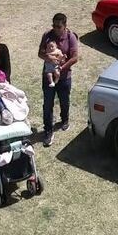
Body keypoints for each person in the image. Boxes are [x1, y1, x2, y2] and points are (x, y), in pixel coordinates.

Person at [38, 13, 79, 147]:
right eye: (54, 25)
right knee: (48, 104)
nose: (55, 29)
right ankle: (48, 130)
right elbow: (40, 53)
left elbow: (74, 57)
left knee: (64, 100)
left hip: (64, 77)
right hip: (48, 75)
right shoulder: (47, 35)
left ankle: (64, 119)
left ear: (65, 26)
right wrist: (48, 58)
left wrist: (62, 67)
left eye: (58, 26)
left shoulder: (70, 37)